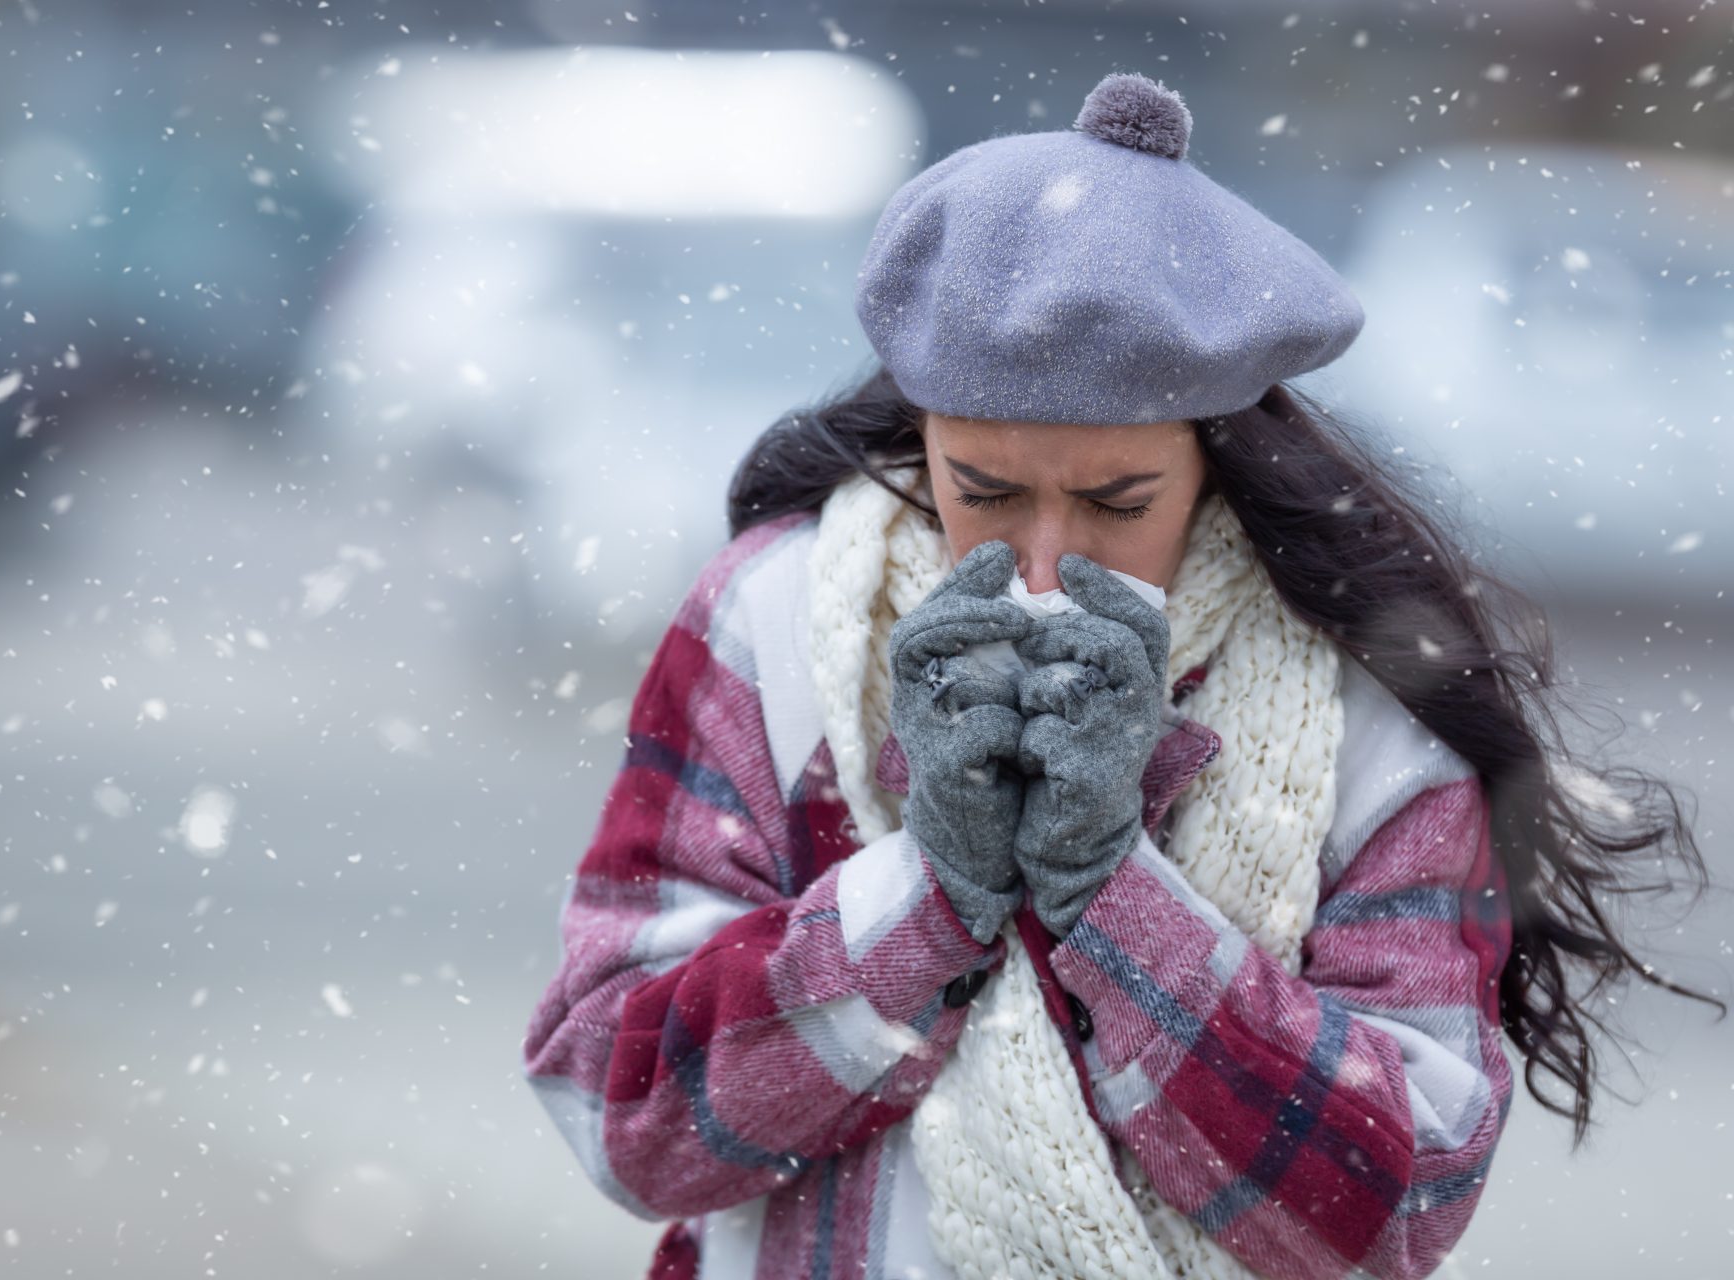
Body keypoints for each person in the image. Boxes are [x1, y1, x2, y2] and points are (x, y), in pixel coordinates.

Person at [521, 72, 1723, 1280]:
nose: (1046, 564)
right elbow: (616, 1120)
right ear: (919, 437)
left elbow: (1397, 1211)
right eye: (982, 491)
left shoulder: (1368, 707)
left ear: (1216, 459)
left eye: (1117, 500)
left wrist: (1113, 900)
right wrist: (922, 892)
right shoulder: (771, 620)